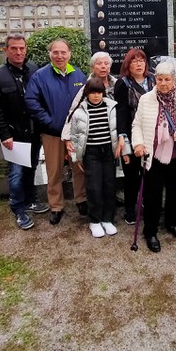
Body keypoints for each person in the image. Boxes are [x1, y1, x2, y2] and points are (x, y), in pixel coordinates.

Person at [132, 60, 176, 252]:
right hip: (153, 155)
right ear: (155, 79)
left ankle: (172, 223)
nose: (163, 83)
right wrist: (137, 143)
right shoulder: (146, 98)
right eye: (160, 79)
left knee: (174, 192)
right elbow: (136, 124)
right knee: (152, 195)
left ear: (174, 80)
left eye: (167, 79)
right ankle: (151, 231)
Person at [0, 34, 48, 231]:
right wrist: (4, 134)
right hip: (14, 134)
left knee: (30, 168)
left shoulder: (34, 70)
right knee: (16, 173)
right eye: (14, 48)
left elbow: (41, 98)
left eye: (22, 48)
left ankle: (30, 200)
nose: (19, 52)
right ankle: (18, 208)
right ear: (6, 50)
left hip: (33, 131)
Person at [24, 39, 87, 225]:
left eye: (63, 52)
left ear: (70, 54)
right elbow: (32, 102)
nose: (60, 56)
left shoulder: (78, 75)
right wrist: (50, 123)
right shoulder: (40, 76)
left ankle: (81, 199)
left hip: (75, 133)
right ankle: (56, 206)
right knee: (54, 170)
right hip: (52, 132)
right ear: (50, 54)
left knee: (79, 167)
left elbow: (85, 101)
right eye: (56, 52)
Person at [62, 77, 124, 238]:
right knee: (94, 187)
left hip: (108, 153)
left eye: (99, 92)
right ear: (87, 93)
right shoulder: (79, 112)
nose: (96, 96)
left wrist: (120, 146)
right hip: (91, 154)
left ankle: (107, 218)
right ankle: (95, 221)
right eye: (93, 93)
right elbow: (75, 136)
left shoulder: (112, 108)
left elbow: (119, 129)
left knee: (109, 185)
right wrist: (76, 158)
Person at [114, 48, 155, 224]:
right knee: (131, 175)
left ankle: (148, 204)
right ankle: (130, 208)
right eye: (134, 61)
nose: (138, 64)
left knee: (151, 172)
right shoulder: (123, 84)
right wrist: (122, 137)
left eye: (141, 60)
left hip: (152, 135)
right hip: (131, 134)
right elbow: (121, 112)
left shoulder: (153, 80)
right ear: (127, 64)